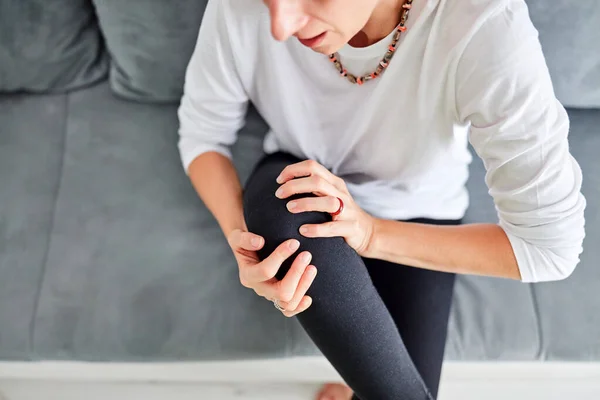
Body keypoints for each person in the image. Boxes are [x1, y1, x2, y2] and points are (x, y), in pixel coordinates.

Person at [177, 0, 587, 398]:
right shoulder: (237, 6)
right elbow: (203, 136)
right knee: (287, 211)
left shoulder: (482, 23)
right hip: (298, 179)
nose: (281, 27)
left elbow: (550, 248)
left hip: (416, 214)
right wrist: (241, 239)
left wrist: (371, 234)